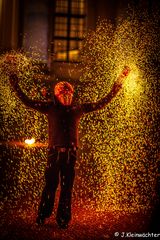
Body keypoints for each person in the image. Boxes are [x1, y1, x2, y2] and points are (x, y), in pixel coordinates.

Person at [5, 56, 130, 228]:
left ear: (72, 94)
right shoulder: (49, 107)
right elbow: (25, 100)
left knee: (66, 188)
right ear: (57, 95)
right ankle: (42, 215)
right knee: (50, 185)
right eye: (63, 94)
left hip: (71, 154)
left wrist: (121, 79)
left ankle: (63, 220)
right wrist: (13, 74)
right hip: (54, 153)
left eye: (69, 93)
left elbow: (104, 101)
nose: (66, 96)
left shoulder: (78, 109)